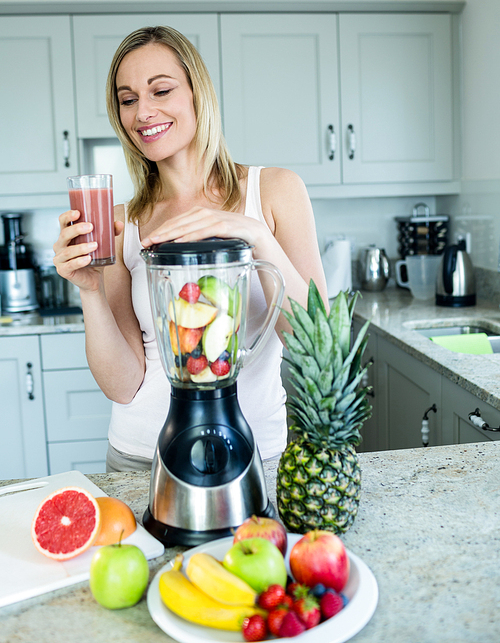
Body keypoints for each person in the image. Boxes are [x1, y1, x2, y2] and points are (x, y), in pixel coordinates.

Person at [53, 25, 328, 472]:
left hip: (255, 454)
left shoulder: (274, 191)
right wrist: (89, 289)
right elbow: (124, 385)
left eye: (160, 90)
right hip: (142, 458)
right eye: (127, 99)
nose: (143, 112)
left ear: (199, 94)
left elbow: (317, 344)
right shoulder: (121, 223)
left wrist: (253, 234)